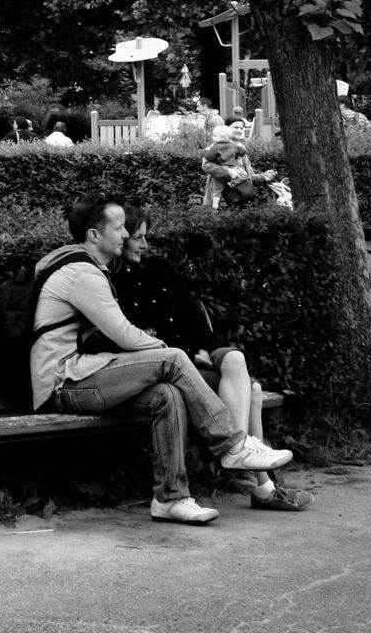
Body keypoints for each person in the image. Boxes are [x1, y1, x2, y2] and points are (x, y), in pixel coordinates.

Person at [31, 196, 293, 525]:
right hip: (65, 383)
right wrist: (167, 349)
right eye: (119, 228)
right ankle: (231, 444)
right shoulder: (82, 274)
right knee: (172, 359)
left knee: (166, 396)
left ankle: (170, 498)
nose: (126, 235)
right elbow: (125, 335)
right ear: (95, 235)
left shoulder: (90, 269)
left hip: (86, 376)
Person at [112, 205, 311, 511]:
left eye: (145, 237)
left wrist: (203, 349)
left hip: (193, 355)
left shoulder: (161, 268)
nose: (144, 244)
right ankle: (263, 486)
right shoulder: (115, 281)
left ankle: (243, 462)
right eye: (137, 237)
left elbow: (192, 314)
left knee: (234, 359)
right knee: (254, 390)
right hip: (169, 364)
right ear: (122, 238)